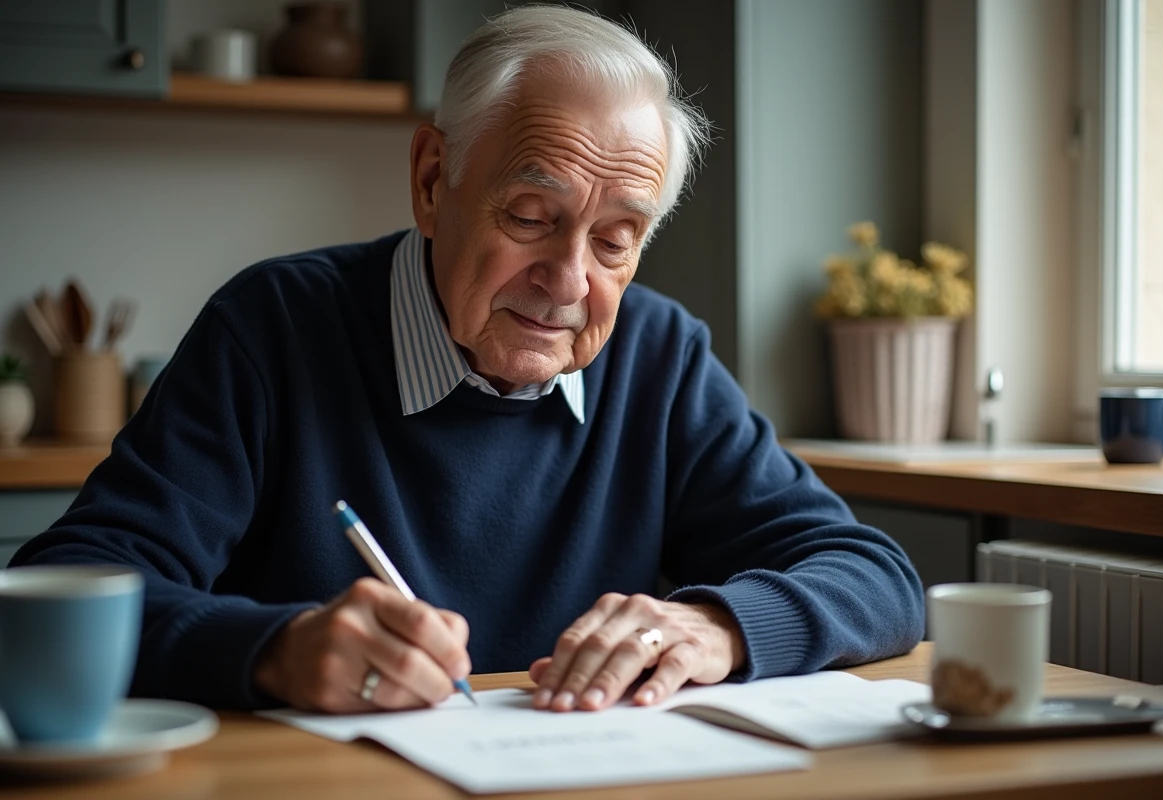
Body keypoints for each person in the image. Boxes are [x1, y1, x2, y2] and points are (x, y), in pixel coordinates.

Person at [12, 6, 923, 714]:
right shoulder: (275, 325)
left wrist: (719, 624)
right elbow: (67, 586)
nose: (567, 281)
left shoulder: (659, 355)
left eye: (615, 241)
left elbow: (876, 576)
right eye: (531, 218)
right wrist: (272, 649)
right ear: (430, 180)